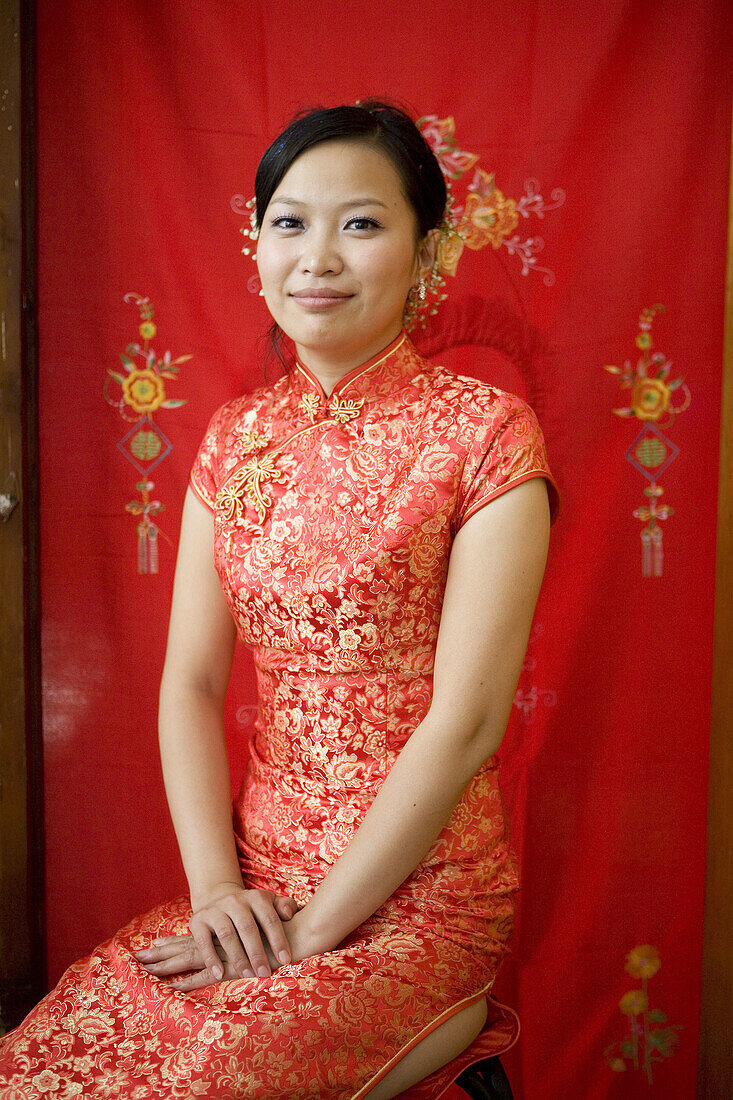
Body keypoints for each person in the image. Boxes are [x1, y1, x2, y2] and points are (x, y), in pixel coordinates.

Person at [0, 100, 559, 1099]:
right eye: (290, 222)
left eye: (361, 222)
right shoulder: (232, 438)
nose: (319, 256)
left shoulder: (485, 435)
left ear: (426, 249)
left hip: (418, 903)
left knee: (207, 1077)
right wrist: (220, 892)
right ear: (255, 244)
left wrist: (315, 930)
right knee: (46, 1054)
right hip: (255, 885)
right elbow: (190, 680)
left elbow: (467, 723)